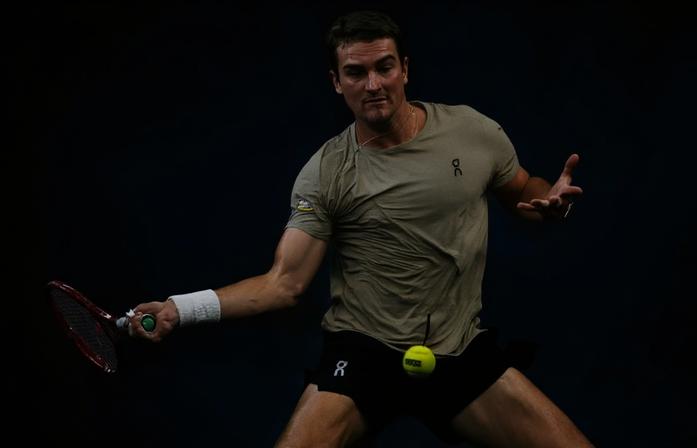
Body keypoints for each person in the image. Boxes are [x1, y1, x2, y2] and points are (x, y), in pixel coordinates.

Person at [130, 10, 592, 447]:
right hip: (364, 355)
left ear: (404, 69)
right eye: (355, 72)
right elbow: (283, 283)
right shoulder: (326, 172)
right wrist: (179, 309)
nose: (373, 84)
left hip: (459, 350)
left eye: (384, 67)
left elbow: (524, 194)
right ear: (337, 82)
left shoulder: (473, 132)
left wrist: (549, 202)